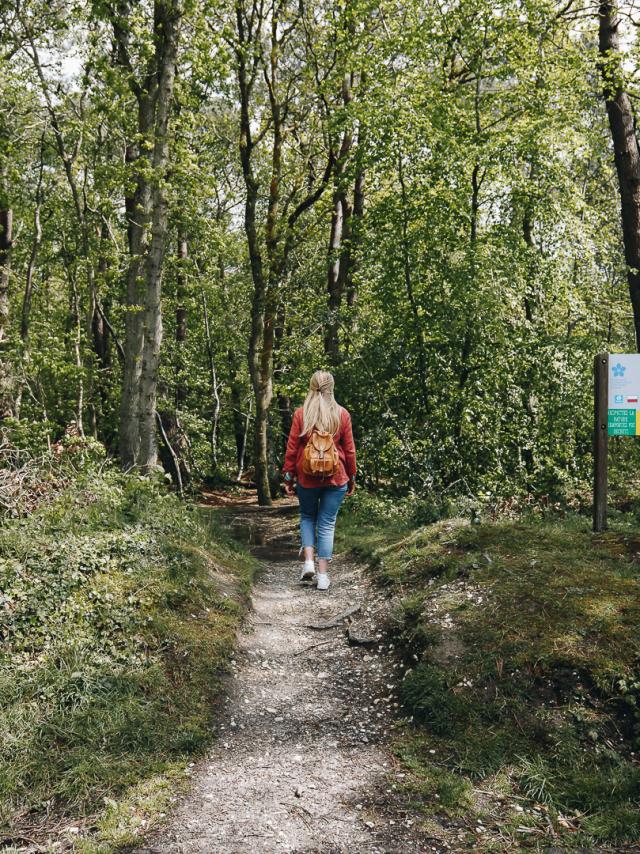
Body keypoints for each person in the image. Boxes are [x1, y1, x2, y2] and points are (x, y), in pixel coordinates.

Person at [281, 371, 356, 590]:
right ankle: (323, 577)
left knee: (307, 517)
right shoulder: (342, 415)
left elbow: (292, 449)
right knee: (327, 523)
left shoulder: (301, 414)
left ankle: (308, 563)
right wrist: (351, 477)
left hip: (307, 477)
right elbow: (349, 451)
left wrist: (288, 477)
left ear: (311, 387)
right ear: (332, 388)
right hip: (336, 477)